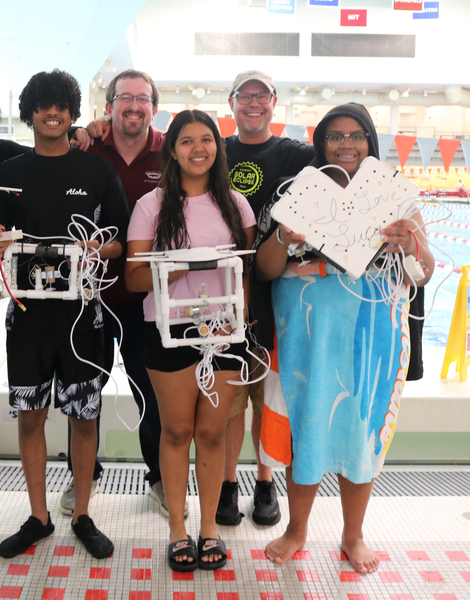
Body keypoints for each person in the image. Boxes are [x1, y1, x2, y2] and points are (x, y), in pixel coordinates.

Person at [256, 103, 434, 574]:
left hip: (369, 333)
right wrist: (283, 239)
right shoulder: (302, 191)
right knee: (305, 428)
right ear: (321, 143)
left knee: (360, 431)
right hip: (307, 334)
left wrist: (411, 244)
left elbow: (424, 270)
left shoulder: (393, 196)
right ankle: (297, 530)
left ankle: (353, 534)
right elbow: (267, 269)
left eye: (356, 135)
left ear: (370, 141)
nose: (347, 144)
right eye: (336, 136)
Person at [0, 69, 129, 561]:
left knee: (84, 418)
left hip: (82, 316)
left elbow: (121, 240)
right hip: (27, 318)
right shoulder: (10, 175)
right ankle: (38, 516)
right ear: (30, 113)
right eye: (43, 105)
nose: (53, 113)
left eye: (62, 105)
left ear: (72, 113)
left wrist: (97, 248)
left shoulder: (95, 173)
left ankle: (83, 513)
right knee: (31, 416)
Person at [125, 110, 256, 572]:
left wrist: (236, 320)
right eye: (186, 140)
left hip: (224, 332)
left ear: (217, 148)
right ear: (172, 149)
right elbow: (135, 279)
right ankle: (177, 529)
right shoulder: (151, 205)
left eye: (206, 139)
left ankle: (209, 529)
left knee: (211, 432)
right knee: (177, 431)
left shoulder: (237, 205)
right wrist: (181, 264)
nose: (197, 148)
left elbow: (246, 277)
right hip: (169, 332)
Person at [60, 69, 175, 518]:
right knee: (83, 390)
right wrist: (78, 131)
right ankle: (82, 478)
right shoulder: (88, 147)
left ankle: (161, 479)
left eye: (142, 98)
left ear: (154, 106)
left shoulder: (171, 151)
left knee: (153, 393)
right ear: (107, 106)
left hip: (148, 299)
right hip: (91, 296)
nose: (133, 106)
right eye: (124, 98)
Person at [217, 70, 315, 528]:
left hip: (278, 295)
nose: (253, 103)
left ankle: (265, 480)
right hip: (225, 294)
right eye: (244, 95)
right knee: (231, 398)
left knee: (268, 397)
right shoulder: (216, 150)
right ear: (232, 102)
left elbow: (346, 162)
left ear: (274, 102)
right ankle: (227, 484)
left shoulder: (296, 153)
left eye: (261, 95)